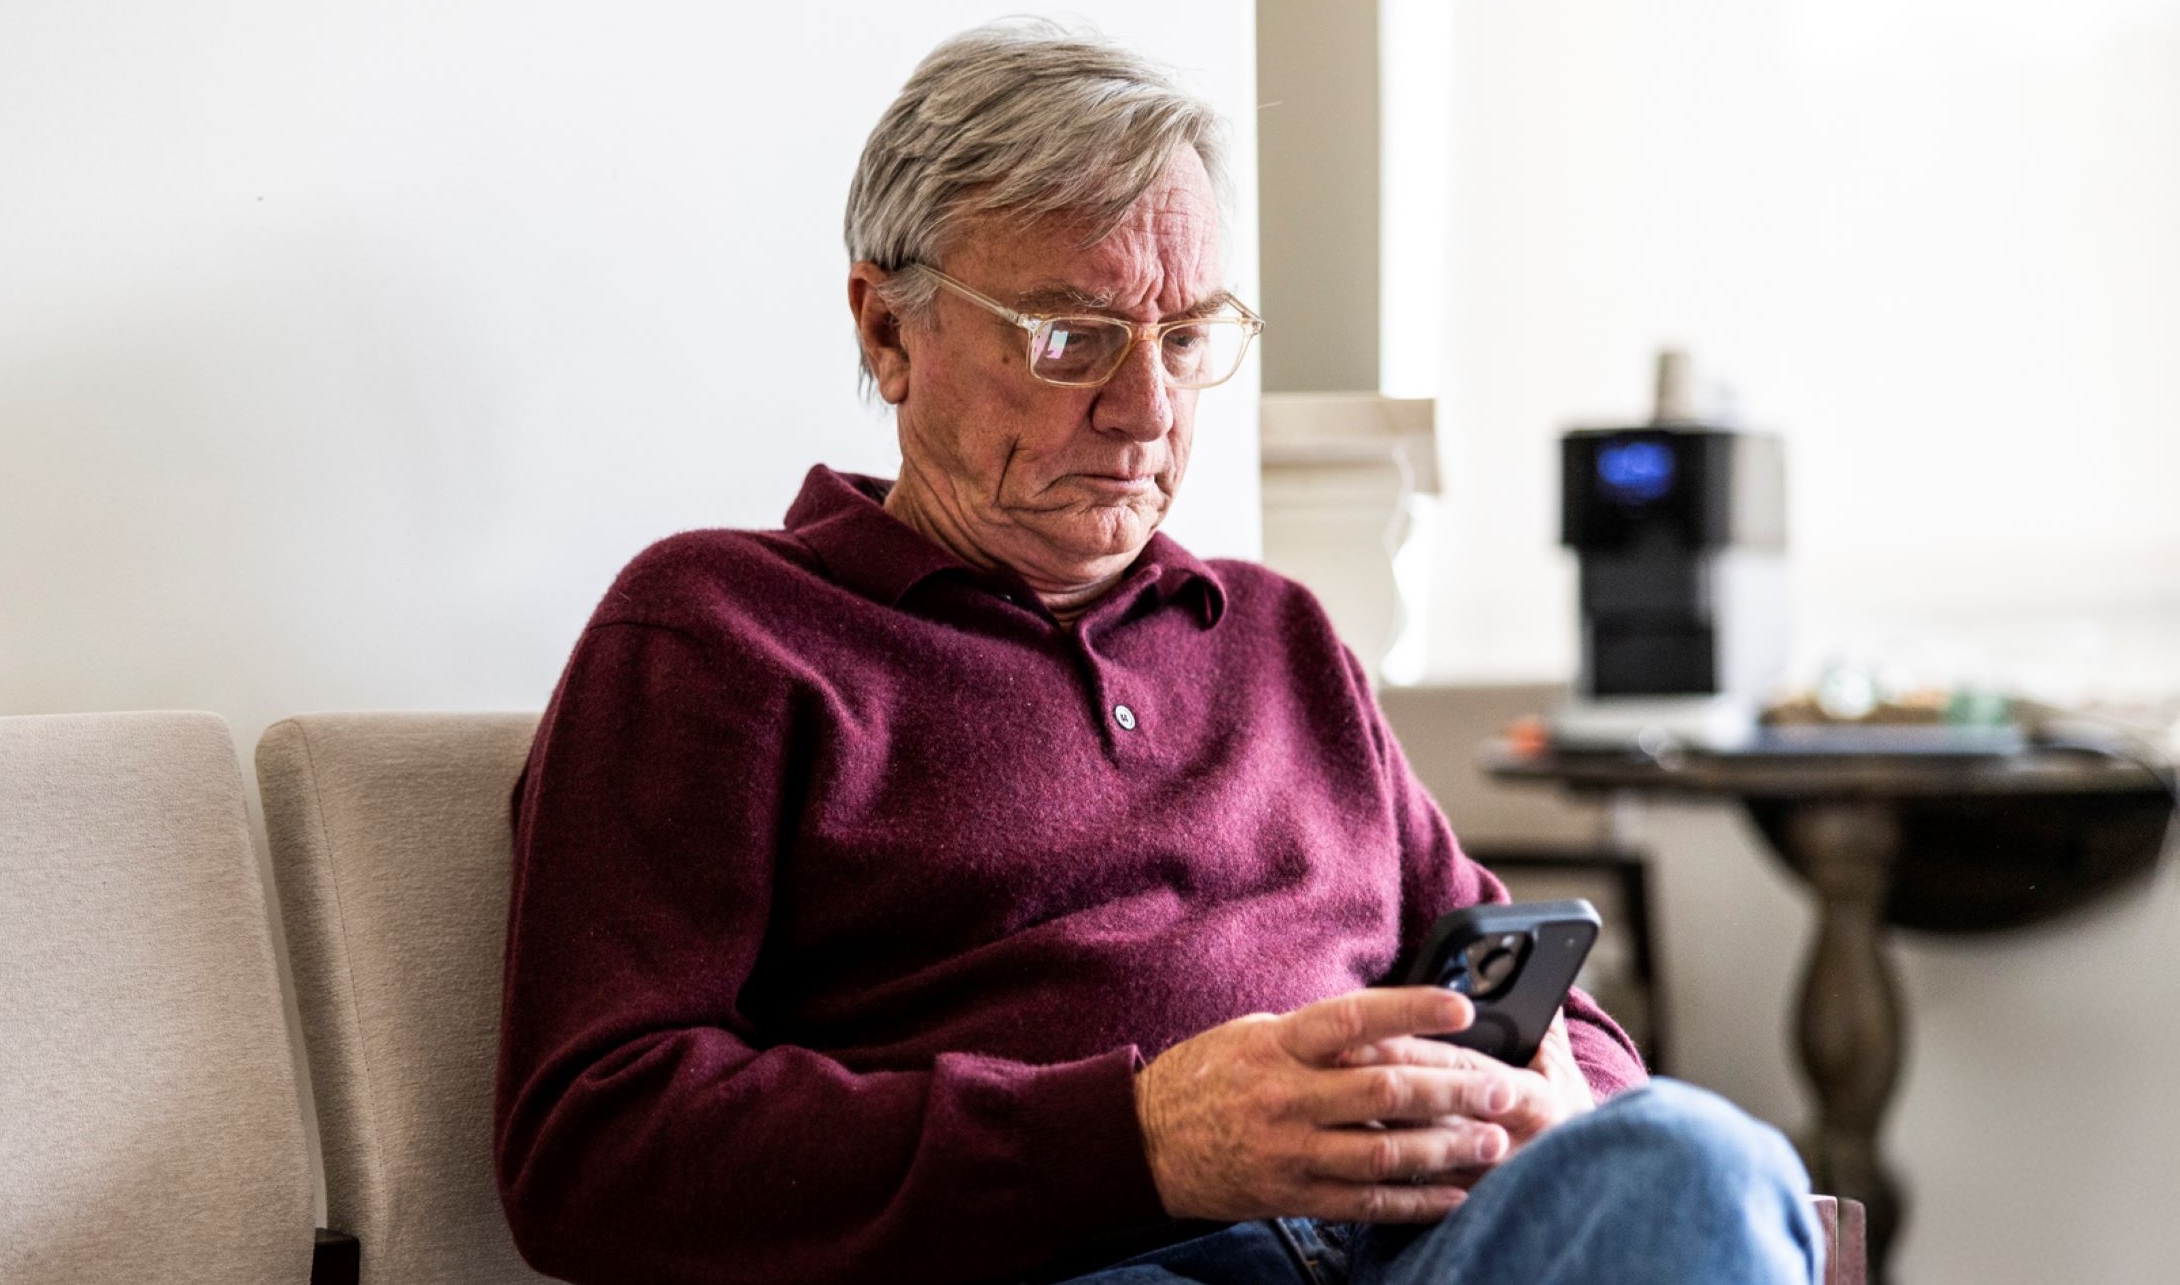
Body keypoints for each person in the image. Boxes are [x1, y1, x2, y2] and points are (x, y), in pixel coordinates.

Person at [495, 20, 1821, 1285]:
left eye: (1186, 340)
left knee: (1700, 1159)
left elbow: (1509, 957)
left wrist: (1562, 1098)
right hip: (1063, 1263)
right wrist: (1136, 1136)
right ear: (889, 331)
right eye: (1073, 338)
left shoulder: (1282, 638)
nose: (1146, 410)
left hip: (1414, 1247)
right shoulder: (718, 631)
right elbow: (594, 1145)